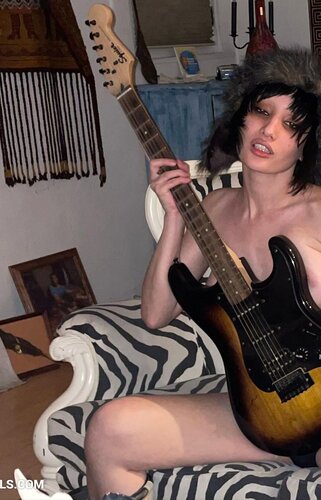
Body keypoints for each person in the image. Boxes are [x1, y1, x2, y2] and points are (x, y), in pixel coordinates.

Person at [84, 47, 321, 500]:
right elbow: (156, 314)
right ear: (240, 117)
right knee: (110, 430)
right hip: (260, 412)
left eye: (291, 124)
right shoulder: (213, 208)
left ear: (307, 144)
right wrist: (175, 217)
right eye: (261, 111)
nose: (269, 130)